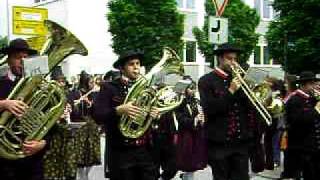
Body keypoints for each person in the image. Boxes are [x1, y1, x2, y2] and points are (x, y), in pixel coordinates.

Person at [93, 50, 159, 180]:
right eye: (131, 64)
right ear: (122, 68)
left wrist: (154, 114)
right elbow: (97, 115)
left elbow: (150, 117)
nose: (136, 67)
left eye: (138, 63)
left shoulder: (147, 88)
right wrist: (118, 110)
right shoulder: (109, 87)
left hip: (145, 150)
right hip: (121, 151)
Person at [198, 43, 257, 180]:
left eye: (235, 59)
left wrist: (253, 92)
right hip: (219, 144)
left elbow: (249, 108)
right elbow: (210, 109)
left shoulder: (240, 80)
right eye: (229, 59)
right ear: (220, 59)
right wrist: (230, 90)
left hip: (240, 143)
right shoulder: (206, 81)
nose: (233, 63)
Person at [0, 38, 48, 180]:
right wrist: (4, 104)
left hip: (33, 163)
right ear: (8, 60)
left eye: (25, 58)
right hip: (3, 163)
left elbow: (51, 123)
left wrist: (42, 143)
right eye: (17, 58)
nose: (21, 61)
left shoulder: (40, 87)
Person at [283, 71, 320, 179]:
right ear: (305, 84)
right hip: (300, 148)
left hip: (314, 148)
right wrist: (317, 109)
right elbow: (298, 121)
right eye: (313, 84)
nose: (315, 87)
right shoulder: (295, 100)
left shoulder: (312, 98)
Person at [174, 76, 207, 180]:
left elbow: (201, 115)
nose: (193, 90)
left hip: (196, 134)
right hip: (186, 136)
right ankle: (186, 177)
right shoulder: (180, 102)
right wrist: (194, 120)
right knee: (188, 163)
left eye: (194, 87)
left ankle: (186, 177)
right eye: (190, 88)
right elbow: (181, 119)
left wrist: (202, 119)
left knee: (194, 163)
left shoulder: (197, 101)